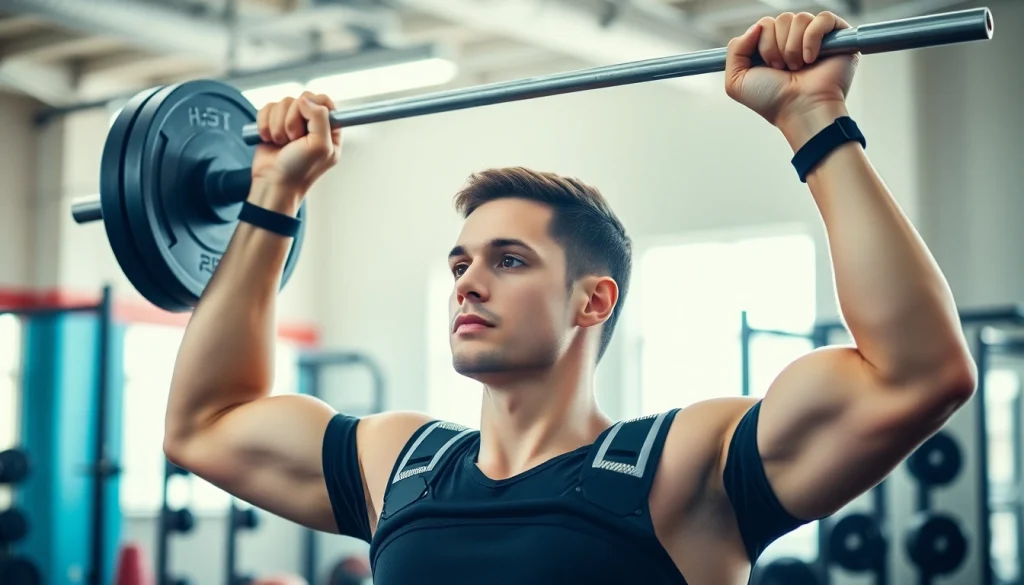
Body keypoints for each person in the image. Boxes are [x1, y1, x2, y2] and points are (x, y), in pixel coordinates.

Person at [162, 11, 977, 585]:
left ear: (593, 301)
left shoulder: (678, 469)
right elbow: (204, 425)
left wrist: (814, 118)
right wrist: (272, 195)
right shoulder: (401, 465)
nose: (468, 282)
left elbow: (917, 374)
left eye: (509, 260)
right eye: (459, 264)